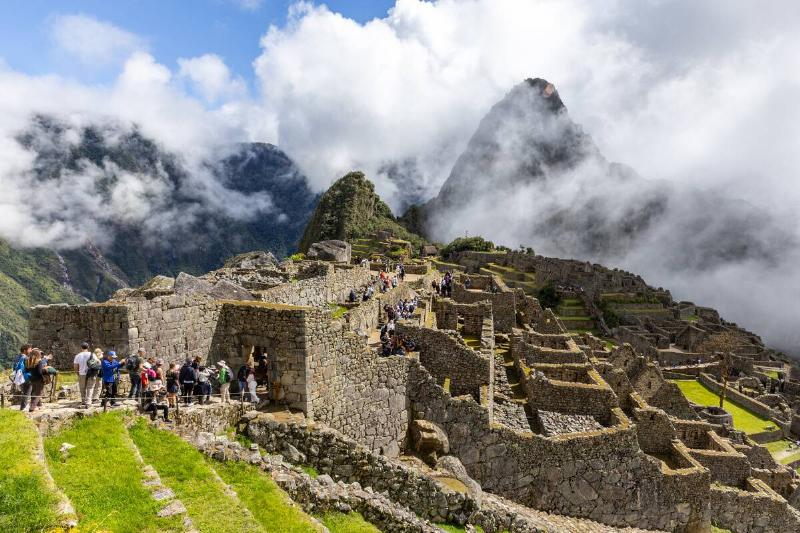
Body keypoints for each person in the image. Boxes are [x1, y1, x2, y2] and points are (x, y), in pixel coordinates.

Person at [73, 342, 93, 408]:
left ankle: (83, 401)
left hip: (81, 373)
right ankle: (89, 402)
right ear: (88, 347)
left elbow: (75, 366)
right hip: (91, 373)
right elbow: (98, 362)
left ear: (81, 348)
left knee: (82, 388)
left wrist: (77, 372)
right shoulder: (92, 354)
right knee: (90, 387)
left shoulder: (78, 355)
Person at [13, 344, 33, 410]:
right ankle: (23, 407)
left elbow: (14, 368)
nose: (31, 350)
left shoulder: (17, 357)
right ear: (25, 350)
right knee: (27, 392)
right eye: (29, 349)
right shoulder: (26, 358)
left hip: (19, 377)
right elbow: (30, 368)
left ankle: (24, 406)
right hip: (26, 377)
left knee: (24, 392)